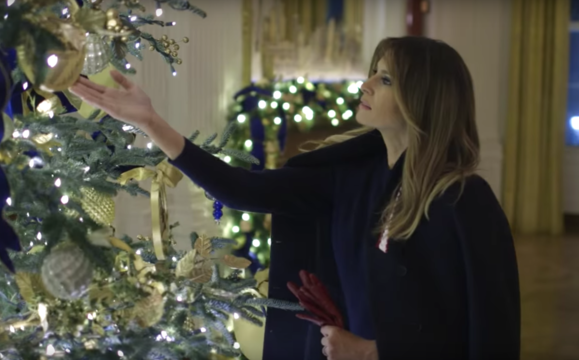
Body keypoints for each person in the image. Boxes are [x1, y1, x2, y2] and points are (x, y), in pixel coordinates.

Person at [70, 36, 520, 360]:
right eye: (372, 74)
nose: (365, 86)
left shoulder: (463, 199)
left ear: (422, 100)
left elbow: (484, 328)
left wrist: (371, 352)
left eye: (384, 79)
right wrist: (151, 123)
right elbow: (241, 188)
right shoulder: (348, 177)